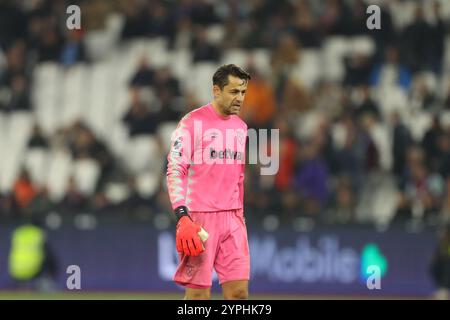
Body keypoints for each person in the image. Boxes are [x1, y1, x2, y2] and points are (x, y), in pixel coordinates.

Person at [166, 64, 251, 300]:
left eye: (243, 92)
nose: (240, 98)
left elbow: (239, 177)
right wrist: (182, 216)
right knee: (198, 297)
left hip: (233, 219)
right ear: (216, 90)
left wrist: (240, 216)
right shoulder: (191, 123)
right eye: (234, 92)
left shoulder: (241, 128)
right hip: (200, 220)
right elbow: (174, 169)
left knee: (239, 294)